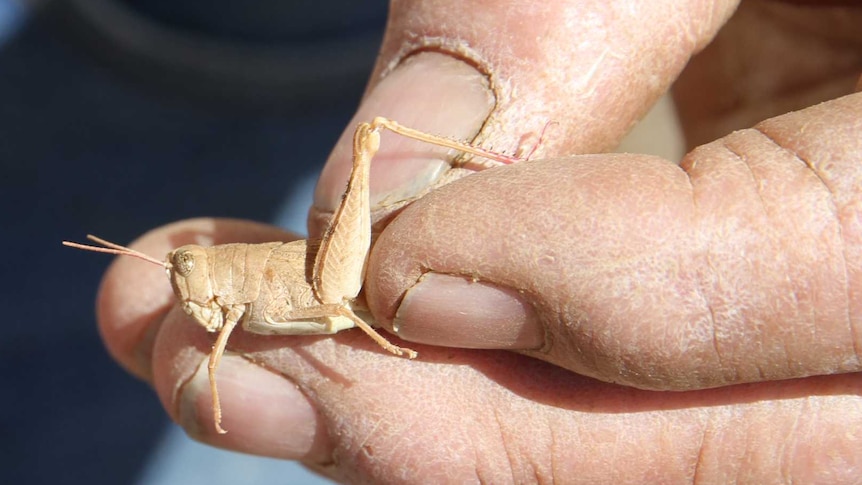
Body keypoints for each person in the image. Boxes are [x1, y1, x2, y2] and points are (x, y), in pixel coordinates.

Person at [96, 1, 862, 482]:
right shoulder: (216, 303)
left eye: (185, 268)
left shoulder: (233, 307)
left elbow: (326, 297)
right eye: (183, 272)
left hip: (344, 271)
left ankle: (466, 150)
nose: (187, 282)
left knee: (368, 150)